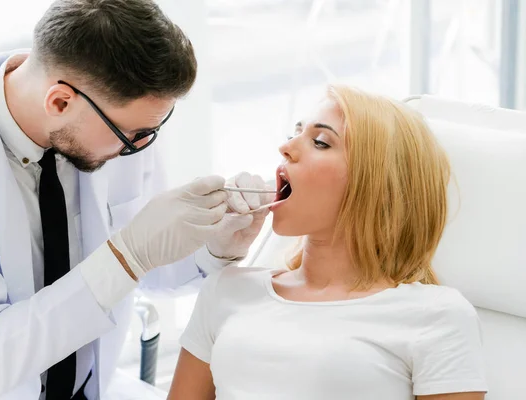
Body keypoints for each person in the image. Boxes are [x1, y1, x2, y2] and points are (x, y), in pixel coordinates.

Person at [0, 1, 271, 399]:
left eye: (152, 131)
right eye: (133, 135)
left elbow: (146, 270)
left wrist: (212, 247)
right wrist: (128, 253)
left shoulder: (112, 125)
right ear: (59, 102)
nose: (140, 148)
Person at [168, 85, 488, 400]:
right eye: (295, 131)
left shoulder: (438, 316)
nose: (287, 146)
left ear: (378, 187)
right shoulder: (226, 288)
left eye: (320, 142)